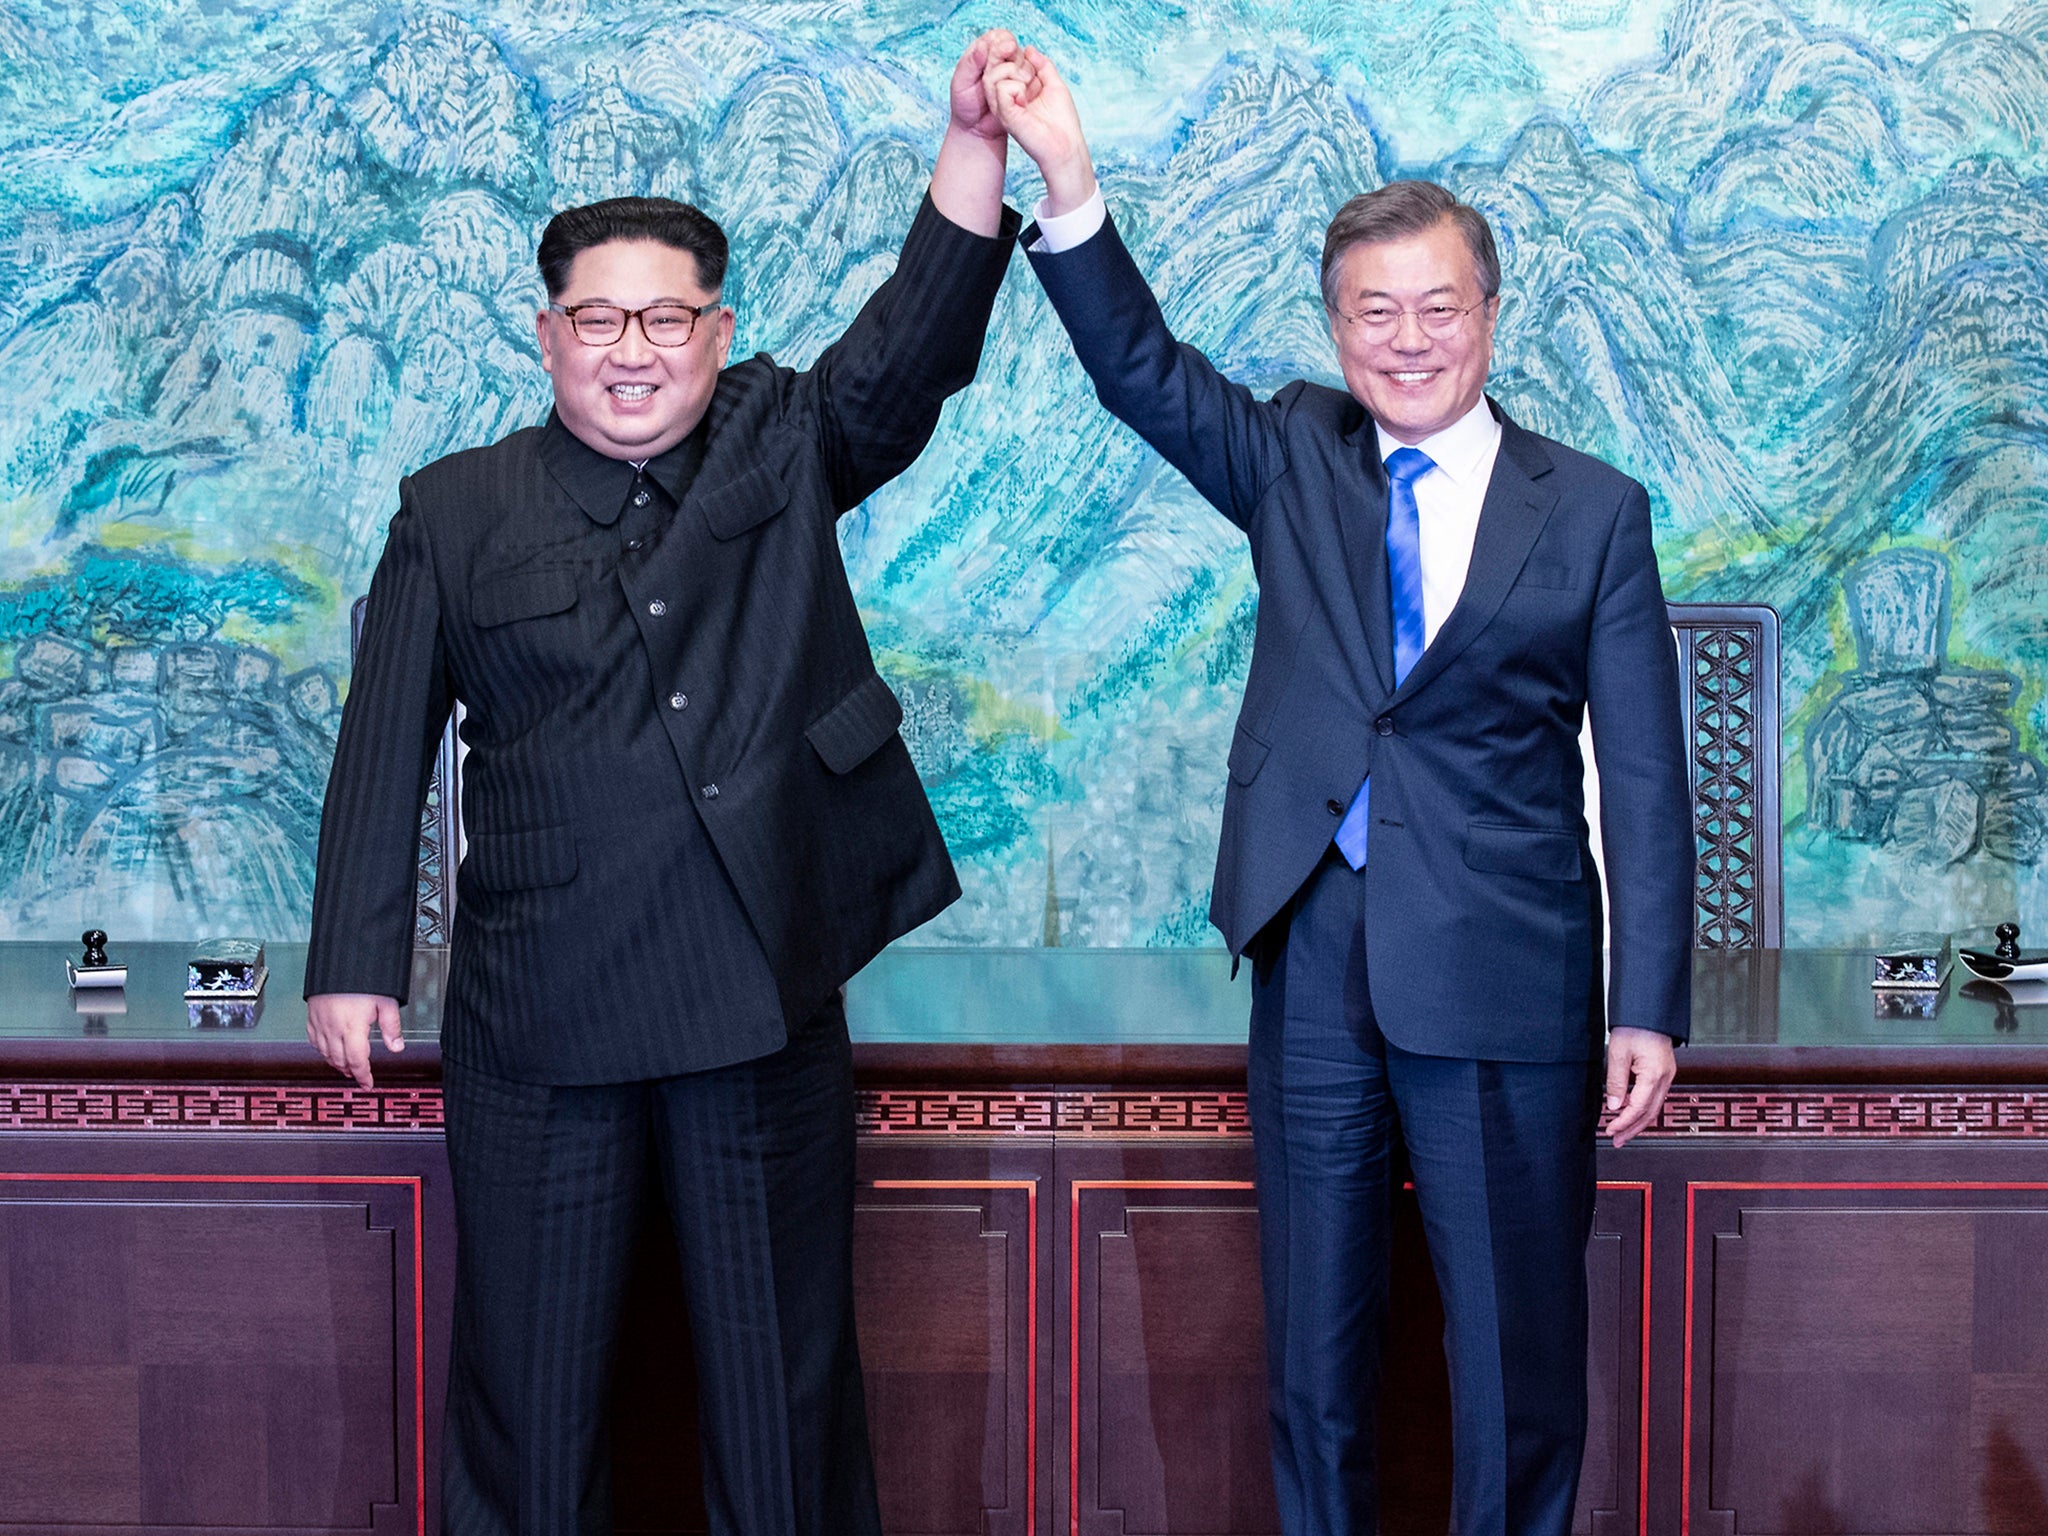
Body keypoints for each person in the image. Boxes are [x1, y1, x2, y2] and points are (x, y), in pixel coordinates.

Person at [302, 34, 1025, 1536]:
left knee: (783, 1401)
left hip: (757, 1006)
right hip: (538, 1021)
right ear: (547, 333)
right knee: (530, 1398)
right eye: (597, 321)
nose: (632, 352)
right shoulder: (456, 508)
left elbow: (915, 345)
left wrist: (974, 148)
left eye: (667, 321)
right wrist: (354, 965)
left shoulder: (785, 437)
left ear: (719, 328)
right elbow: (386, 740)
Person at [984, 46, 1693, 1536]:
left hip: (1507, 969)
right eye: (1376, 312)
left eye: (1440, 306)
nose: (1410, 337)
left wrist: (1648, 1006)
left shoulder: (1598, 512)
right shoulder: (1294, 454)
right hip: (1315, 959)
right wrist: (1064, 177)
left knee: (1514, 1364)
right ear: (1336, 327)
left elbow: (1642, 778)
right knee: (1314, 1358)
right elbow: (1139, 368)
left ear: (1491, 315)